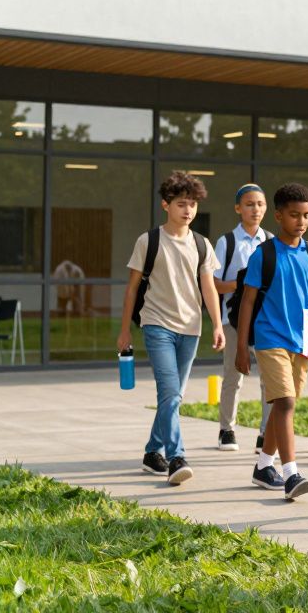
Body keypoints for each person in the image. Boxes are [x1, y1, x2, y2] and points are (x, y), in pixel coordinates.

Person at [117, 171, 224, 486]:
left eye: (192, 204)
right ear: (166, 205)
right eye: (181, 204)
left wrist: (217, 324)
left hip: (190, 328)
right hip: (156, 324)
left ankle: (153, 453)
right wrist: (125, 331)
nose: (188, 210)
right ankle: (177, 456)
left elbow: (208, 288)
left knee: (173, 396)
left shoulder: (202, 245)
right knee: (168, 391)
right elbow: (132, 289)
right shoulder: (148, 241)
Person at [235, 183, 308, 501]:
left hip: (302, 340)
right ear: (278, 216)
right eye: (295, 215)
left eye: (306, 215)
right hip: (270, 338)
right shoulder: (263, 255)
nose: (302, 221)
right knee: (285, 403)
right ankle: (291, 473)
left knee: (285, 406)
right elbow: (247, 302)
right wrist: (241, 347)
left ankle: (264, 465)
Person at [212, 183, 272, 452]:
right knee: (233, 376)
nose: (255, 209)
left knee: (268, 379)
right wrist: (243, 283)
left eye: (259, 204)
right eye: (249, 204)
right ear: (238, 208)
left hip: (264, 320)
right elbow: (214, 284)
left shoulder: (270, 241)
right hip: (233, 319)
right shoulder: (227, 242)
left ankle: (265, 434)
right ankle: (226, 430)